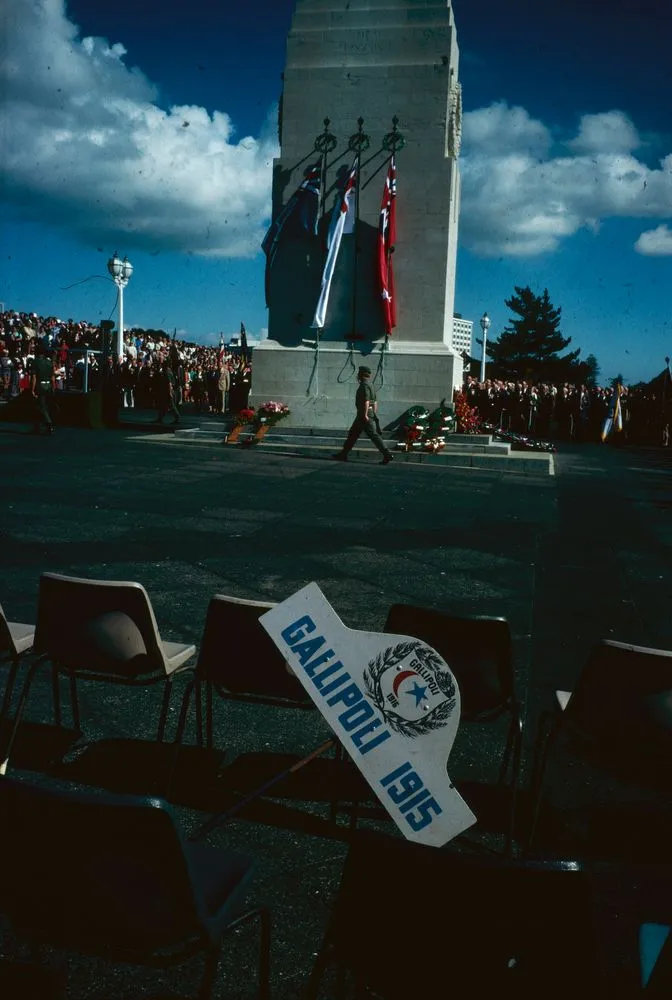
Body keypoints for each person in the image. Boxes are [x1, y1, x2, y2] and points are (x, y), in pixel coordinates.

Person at [332, 366, 394, 464]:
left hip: (363, 414)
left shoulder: (364, 385)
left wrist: (365, 415)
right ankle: (343, 454)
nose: (357, 375)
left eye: (359, 374)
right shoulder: (371, 385)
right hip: (368, 413)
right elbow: (375, 402)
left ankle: (387, 454)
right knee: (353, 434)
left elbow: (366, 401)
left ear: (361, 375)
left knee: (373, 435)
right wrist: (373, 413)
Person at [29, 344, 55, 434]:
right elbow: (52, 377)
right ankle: (37, 426)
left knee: (41, 406)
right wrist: (53, 387)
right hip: (48, 386)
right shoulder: (49, 362)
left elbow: (34, 377)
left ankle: (49, 424)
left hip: (40, 386)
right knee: (41, 406)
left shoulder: (35, 362)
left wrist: (32, 389)